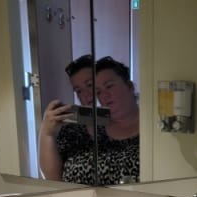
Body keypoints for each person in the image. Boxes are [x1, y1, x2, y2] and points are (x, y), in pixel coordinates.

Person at [38, 55, 140, 186]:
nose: (86, 96)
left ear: (129, 86)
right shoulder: (72, 131)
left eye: (90, 85)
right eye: (79, 90)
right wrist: (47, 133)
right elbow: (53, 181)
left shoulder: (153, 127)